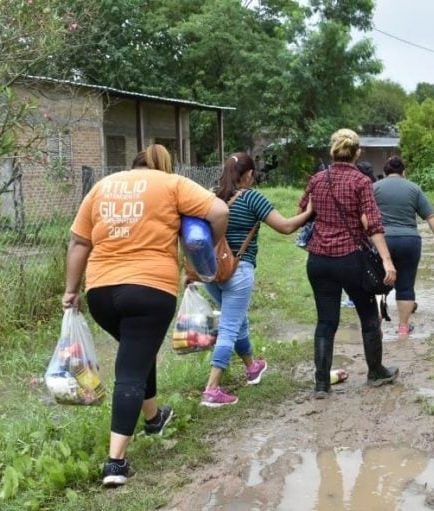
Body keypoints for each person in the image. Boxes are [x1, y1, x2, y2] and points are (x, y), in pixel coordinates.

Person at [63, 144, 229, 487]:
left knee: (138, 351)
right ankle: (115, 463)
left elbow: (79, 242)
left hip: (101, 293)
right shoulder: (171, 184)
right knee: (130, 370)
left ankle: (154, 419)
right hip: (150, 288)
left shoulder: (103, 186)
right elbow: (219, 211)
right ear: (164, 165)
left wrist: (70, 290)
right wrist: (207, 258)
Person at [199, 152, 314, 407]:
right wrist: (308, 212)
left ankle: (252, 367)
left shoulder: (211, 196)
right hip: (238, 271)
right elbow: (285, 226)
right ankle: (212, 388)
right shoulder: (252, 198)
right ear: (249, 175)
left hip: (211, 271)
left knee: (237, 319)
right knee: (230, 325)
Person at [298, 128, 399, 399]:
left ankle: (321, 384)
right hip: (350, 259)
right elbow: (374, 225)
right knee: (367, 316)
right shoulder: (361, 181)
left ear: (332, 151)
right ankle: (375, 372)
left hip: (318, 260)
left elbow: (303, 212)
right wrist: (387, 262)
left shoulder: (318, 179)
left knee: (326, 321)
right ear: (357, 153)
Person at [373, 156, 434, 340]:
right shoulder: (414, 188)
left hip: (381, 241)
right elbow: (430, 215)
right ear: (404, 172)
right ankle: (403, 328)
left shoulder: (373, 188)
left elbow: (364, 217)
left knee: (377, 284)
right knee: (406, 286)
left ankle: (376, 325)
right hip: (409, 241)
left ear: (384, 173)